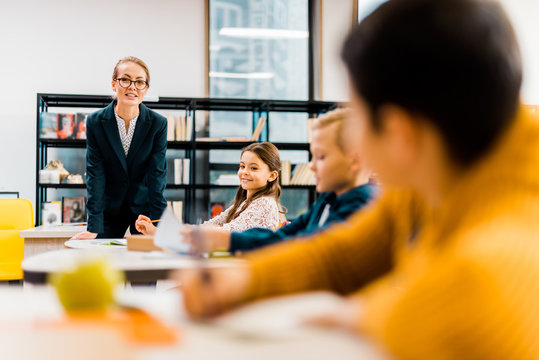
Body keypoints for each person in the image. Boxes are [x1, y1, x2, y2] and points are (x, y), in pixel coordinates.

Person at [176, 0, 539, 358]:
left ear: (401, 134)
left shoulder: (500, 257)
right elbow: (343, 256)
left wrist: (361, 316)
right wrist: (246, 280)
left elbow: (465, 310)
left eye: (358, 118)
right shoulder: (435, 172)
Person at [181, 109, 377, 254]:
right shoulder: (327, 199)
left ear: (355, 160)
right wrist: (227, 239)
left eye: (322, 157)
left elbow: (314, 255)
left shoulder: (360, 207)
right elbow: (283, 237)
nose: (311, 166)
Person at [72, 56, 167, 239]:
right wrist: (93, 227)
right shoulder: (95, 122)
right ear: (114, 84)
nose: (132, 86)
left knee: (148, 261)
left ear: (146, 89)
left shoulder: (158, 124)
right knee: (99, 256)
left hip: (143, 210)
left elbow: (157, 176)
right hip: (109, 208)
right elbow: (95, 175)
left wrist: (158, 224)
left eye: (140, 82)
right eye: (125, 79)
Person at [136, 142, 284, 235]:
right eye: (242, 166)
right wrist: (160, 231)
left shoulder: (264, 204)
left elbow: (224, 233)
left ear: (272, 175)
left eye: (254, 168)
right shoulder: (244, 203)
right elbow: (208, 227)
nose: (244, 172)